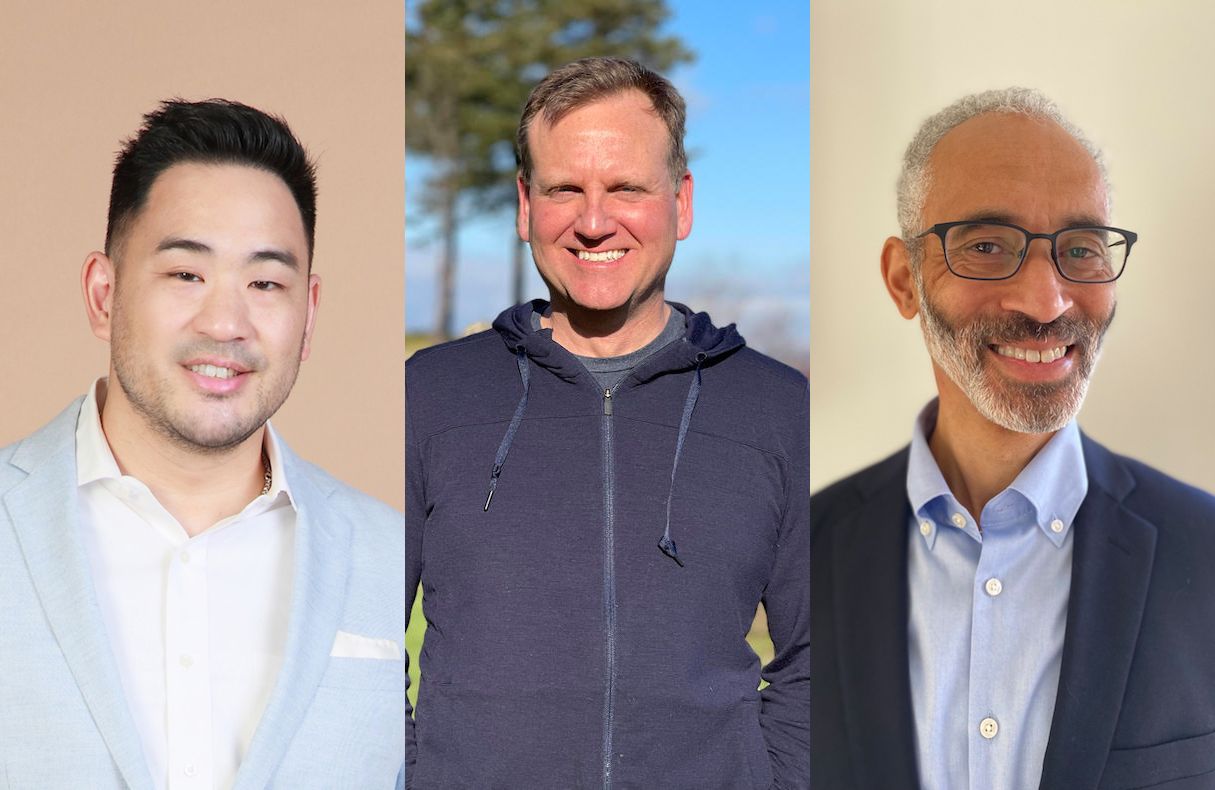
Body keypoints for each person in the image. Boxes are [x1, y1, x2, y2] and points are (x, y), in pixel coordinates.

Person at [406, 57, 809, 788]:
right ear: (526, 204)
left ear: (680, 203)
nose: (594, 223)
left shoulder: (779, 412)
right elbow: (363, 647)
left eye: (626, 188)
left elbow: (820, 664)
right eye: (566, 189)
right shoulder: (427, 396)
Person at [810, 88, 1215, 790]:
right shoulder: (800, 554)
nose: (1045, 301)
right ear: (904, 280)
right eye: (988, 246)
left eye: (1081, 249)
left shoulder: (1204, 554)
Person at [0, 100, 404, 789]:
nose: (226, 323)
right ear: (104, 294)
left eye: (265, 283)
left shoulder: (388, 553)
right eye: (187, 274)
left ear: (308, 315)